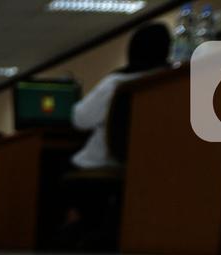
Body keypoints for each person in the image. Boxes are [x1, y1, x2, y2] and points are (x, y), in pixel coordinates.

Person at [71, 23, 171, 169]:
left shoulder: (117, 82)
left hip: (101, 163)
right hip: (151, 163)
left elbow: (81, 119)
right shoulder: (171, 84)